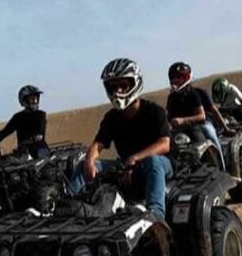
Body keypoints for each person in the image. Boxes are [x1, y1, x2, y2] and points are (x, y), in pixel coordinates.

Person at [70, 58, 172, 220]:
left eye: (123, 85)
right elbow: (98, 144)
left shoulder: (154, 112)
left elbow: (164, 144)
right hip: (124, 165)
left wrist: (135, 158)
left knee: (153, 161)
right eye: (112, 87)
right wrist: (89, 161)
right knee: (83, 165)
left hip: (158, 164)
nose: (117, 91)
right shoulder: (112, 117)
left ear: (135, 84)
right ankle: (67, 205)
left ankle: (156, 213)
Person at [166, 61, 226, 168]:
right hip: (179, 130)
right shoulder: (171, 98)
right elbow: (168, 117)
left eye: (178, 77)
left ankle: (222, 166)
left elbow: (201, 116)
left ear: (185, 78)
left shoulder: (194, 94)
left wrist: (183, 120)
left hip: (198, 125)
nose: (174, 81)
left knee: (210, 134)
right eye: (173, 78)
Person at [0, 85, 49, 158]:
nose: (35, 101)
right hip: (23, 151)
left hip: (40, 150)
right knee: (2, 161)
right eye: (32, 98)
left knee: (37, 155)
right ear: (24, 100)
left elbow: (41, 131)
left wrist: (36, 137)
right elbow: (5, 131)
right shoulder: (18, 117)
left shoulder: (41, 115)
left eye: (36, 98)